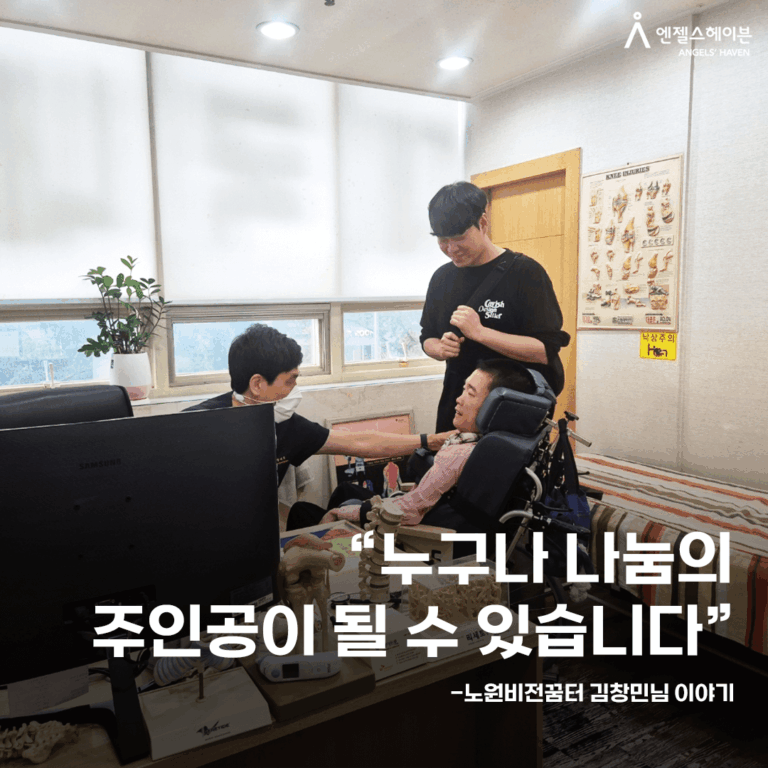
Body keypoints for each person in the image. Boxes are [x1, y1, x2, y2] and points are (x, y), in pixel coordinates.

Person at [184, 324, 453, 484]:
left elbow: (361, 442)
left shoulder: (286, 426)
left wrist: (429, 441)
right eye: (290, 380)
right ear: (257, 384)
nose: (294, 389)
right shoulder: (195, 427)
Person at [420, 181, 570, 431]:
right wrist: (439, 348)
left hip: (512, 408)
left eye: (459, 237)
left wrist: (480, 333)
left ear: (483, 223)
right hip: (458, 402)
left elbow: (545, 350)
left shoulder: (526, 273)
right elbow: (427, 337)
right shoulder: (441, 278)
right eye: (443, 240)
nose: (451, 249)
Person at [321, 358, 536, 530]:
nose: (459, 399)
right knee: (345, 491)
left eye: (470, 393)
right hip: (429, 509)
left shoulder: (460, 454)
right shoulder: (499, 446)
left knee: (331, 504)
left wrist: (341, 514)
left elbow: (410, 511)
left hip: (414, 530)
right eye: (463, 389)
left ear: (496, 408)